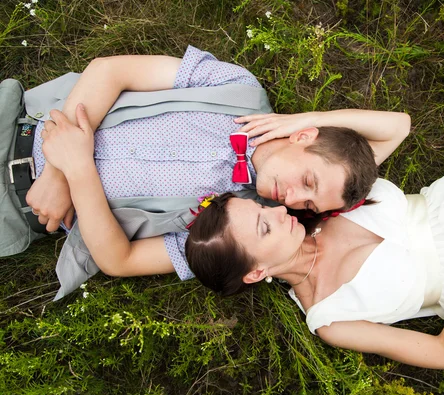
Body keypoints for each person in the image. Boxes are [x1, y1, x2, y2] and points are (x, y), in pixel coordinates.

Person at [181, 128, 444, 369]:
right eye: (263, 227)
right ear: (255, 272)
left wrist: (302, 125)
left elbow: (395, 125)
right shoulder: (331, 320)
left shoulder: (320, 204)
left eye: (260, 208)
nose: (277, 211)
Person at [2, 46, 411, 283]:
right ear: (304, 138)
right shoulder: (240, 90)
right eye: (307, 180)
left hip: (15, 213)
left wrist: (76, 172)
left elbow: (119, 260)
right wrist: (56, 173)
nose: (293, 199)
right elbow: (112, 70)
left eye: (307, 206)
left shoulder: (239, 226)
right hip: (18, 126)